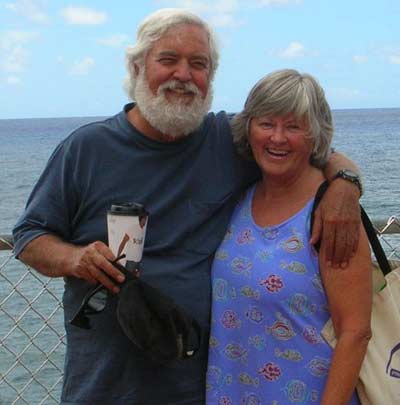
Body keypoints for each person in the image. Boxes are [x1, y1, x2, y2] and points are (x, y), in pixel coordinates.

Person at [12, 8, 362, 405]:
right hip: (104, 385)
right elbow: (29, 235)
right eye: (168, 60)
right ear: (138, 66)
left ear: (210, 77)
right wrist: (75, 259)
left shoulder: (227, 141)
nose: (183, 74)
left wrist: (344, 190)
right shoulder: (86, 149)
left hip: (200, 385)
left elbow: (316, 152)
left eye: (199, 64)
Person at [206, 69, 372, 404]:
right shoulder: (241, 199)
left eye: (293, 126)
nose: (278, 138)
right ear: (249, 127)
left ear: (315, 136)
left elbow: (355, 332)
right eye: (267, 123)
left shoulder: (332, 214)